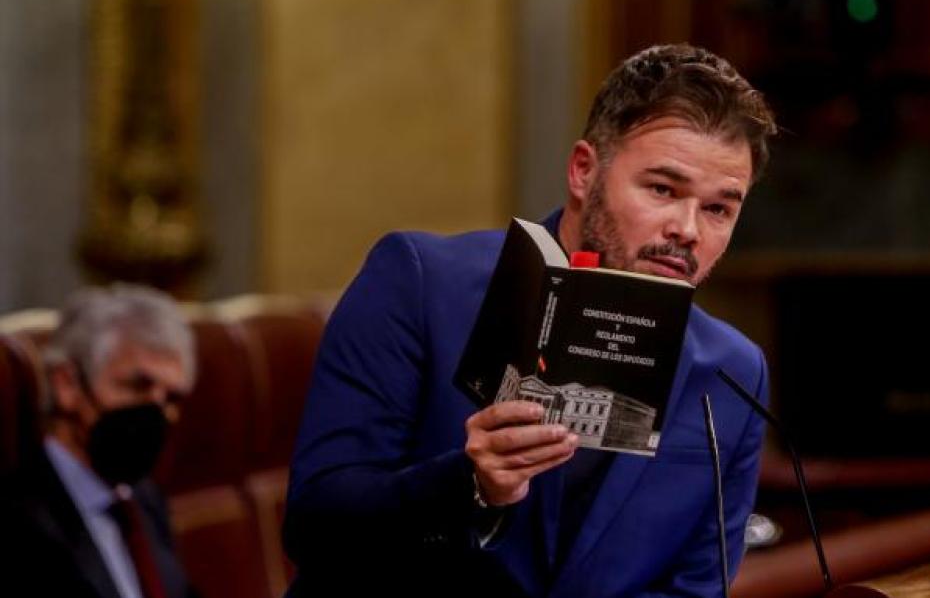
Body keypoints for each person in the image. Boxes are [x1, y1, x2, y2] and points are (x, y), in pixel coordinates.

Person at [283, 43, 779, 597]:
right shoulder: (421, 282)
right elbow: (315, 526)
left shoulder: (734, 371)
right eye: (662, 189)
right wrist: (468, 485)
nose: (688, 229)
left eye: (719, 209)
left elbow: (696, 589)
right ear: (584, 172)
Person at [0, 284, 198, 598]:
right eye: (138, 386)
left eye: (171, 398)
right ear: (67, 384)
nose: (157, 413)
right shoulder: (17, 522)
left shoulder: (143, 500)